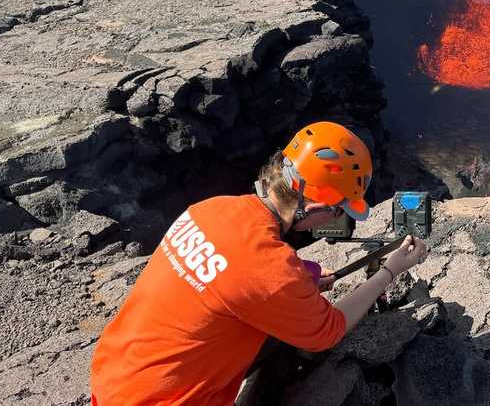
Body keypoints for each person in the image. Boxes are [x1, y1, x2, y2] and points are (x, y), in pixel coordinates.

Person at [90, 121, 428, 405]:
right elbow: (330, 330)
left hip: (112, 379)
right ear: (313, 208)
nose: (337, 217)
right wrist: (391, 269)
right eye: (339, 210)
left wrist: (302, 276)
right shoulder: (271, 273)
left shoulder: (209, 209)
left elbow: (231, 273)